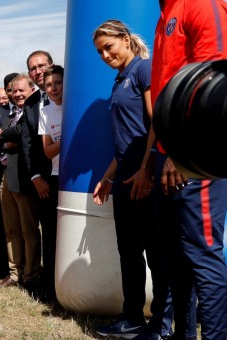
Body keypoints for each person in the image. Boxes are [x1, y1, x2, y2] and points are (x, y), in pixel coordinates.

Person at [91, 20, 173, 339]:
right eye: (99, 51)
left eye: (108, 47)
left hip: (145, 177)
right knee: (128, 250)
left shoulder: (143, 68)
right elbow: (127, 136)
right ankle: (132, 317)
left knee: (155, 251)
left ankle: (161, 323)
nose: (104, 54)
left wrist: (146, 168)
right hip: (124, 177)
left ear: (125, 40)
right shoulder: (119, 80)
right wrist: (108, 176)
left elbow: (157, 122)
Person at [151, 2, 227, 339]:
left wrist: (182, 154)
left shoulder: (201, 3)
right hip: (167, 155)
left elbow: (218, 84)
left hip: (195, 159)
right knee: (175, 257)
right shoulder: (165, 13)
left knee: (203, 255)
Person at [0, 75, 40, 289]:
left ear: (32, 90)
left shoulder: (35, 110)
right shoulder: (7, 114)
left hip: (25, 176)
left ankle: (31, 275)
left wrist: (4, 136)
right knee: (11, 228)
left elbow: (23, 136)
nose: (18, 94)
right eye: (14, 91)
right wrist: (5, 141)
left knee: (28, 229)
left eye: (22, 90)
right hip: (5, 174)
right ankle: (15, 274)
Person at [21, 50, 55, 299]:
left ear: (51, 65)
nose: (38, 71)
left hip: (71, 175)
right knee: (50, 231)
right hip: (44, 179)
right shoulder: (31, 103)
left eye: (41, 65)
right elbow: (28, 144)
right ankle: (50, 286)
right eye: (33, 68)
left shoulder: (69, 91)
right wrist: (36, 177)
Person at [36, 65, 64, 302]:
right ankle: (51, 288)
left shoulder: (76, 104)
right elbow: (47, 151)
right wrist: (69, 138)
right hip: (56, 176)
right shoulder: (46, 112)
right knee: (52, 235)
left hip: (78, 179)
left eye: (58, 83)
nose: (53, 88)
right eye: (48, 85)